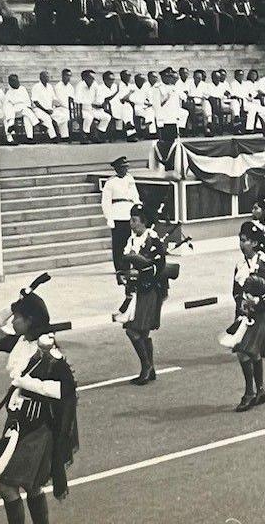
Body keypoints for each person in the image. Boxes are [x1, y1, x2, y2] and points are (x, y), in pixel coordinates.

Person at [0, 284, 78, 524]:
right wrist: (15, 304)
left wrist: (27, 383)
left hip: (37, 426)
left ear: (30, 321)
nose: (13, 322)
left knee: (8, 488)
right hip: (18, 421)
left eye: (18, 317)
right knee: (32, 486)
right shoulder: (21, 341)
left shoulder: (48, 349)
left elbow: (66, 390)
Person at [229, 222, 265, 411]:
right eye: (240, 239)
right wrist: (241, 303)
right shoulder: (239, 265)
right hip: (245, 314)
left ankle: (249, 393)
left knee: (243, 351)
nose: (241, 243)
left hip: (261, 316)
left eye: (244, 240)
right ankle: (260, 390)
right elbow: (235, 291)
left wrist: (261, 302)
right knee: (251, 352)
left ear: (254, 243)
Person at [121, 205, 168, 385]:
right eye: (130, 219)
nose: (131, 224)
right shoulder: (131, 239)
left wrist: (141, 269)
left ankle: (146, 367)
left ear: (144, 222)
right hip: (136, 290)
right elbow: (125, 261)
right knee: (142, 332)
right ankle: (150, 369)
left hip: (150, 290)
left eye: (135, 220)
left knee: (133, 330)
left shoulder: (153, 240)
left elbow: (159, 265)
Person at [101, 157, 140, 277]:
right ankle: (119, 266)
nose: (125, 170)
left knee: (130, 241)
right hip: (117, 214)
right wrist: (109, 218)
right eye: (122, 168)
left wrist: (138, 210)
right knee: (118, 243)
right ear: (117, 169)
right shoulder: (110, 182)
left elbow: (135, 195)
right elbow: (105, 202)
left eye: (126, 167)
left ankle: (128, 265)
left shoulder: (130, 179)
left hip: (129, 213)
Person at [30, 71, 70, 142]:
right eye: (46, 77)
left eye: (48, 77)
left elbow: (54, 99)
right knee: (47, 118)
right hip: (39, 110)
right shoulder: (36, 87)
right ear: (41, 78)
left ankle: (64, 136)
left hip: (50, 109)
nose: (48, 78)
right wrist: (46, 110)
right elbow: (35, 102)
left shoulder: (50, 86)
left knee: (63, 116)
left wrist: (60, 106)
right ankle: (53, 137)